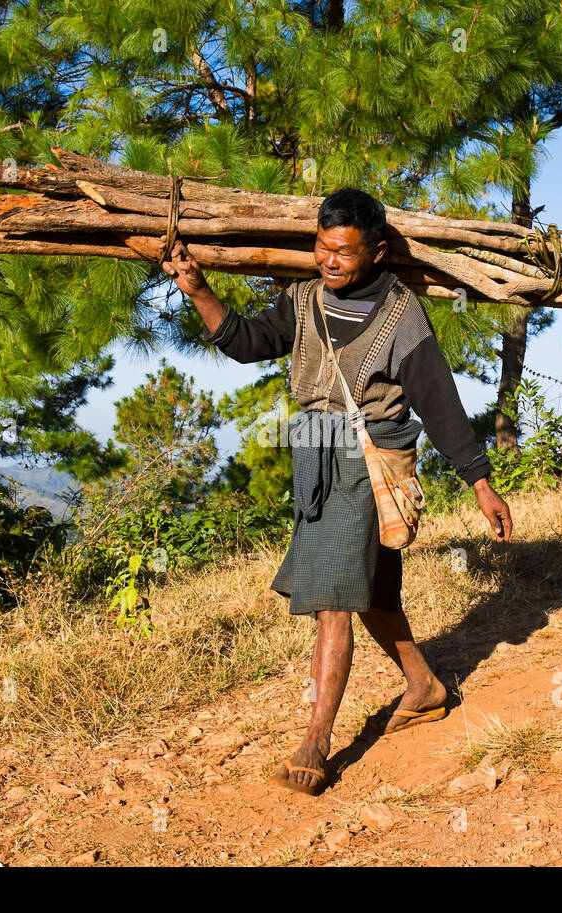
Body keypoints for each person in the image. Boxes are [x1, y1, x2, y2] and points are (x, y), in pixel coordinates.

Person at [161, 187, 513, 796]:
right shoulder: (301, 302)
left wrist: (480, 482)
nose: (330, 261)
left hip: (370, 458)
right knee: (369, 591)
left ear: (376, 253)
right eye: (323, 248)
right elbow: (246, 343)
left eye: (345, 253)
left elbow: (440, 403)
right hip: (315, 458)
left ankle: (316, 742)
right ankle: (425, 685)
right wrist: (196, 289)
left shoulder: (402, 316)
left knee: (332, 599)